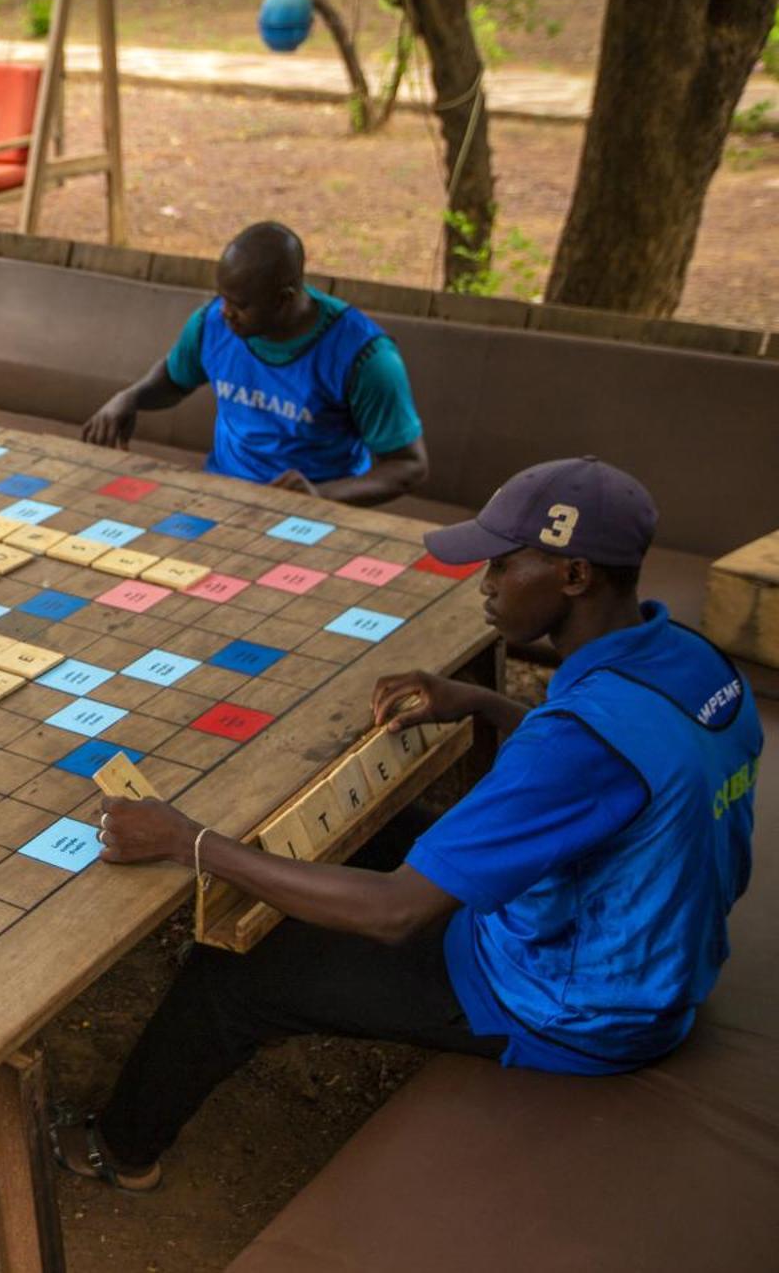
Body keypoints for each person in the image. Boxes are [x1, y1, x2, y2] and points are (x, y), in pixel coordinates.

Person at [56, 457, 760, 1192]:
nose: (484, 580)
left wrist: (189, 841)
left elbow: (397, 912)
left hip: (577, 1007)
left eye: (503, 562)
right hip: (654, 946)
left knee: (228, 977)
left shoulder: (577, 741)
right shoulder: (690, 657)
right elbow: (619, 777)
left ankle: (119, 1148)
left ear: (576, 576)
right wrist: (483, 703)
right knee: (367, 834)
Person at [80, 221, 429, 507]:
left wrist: (320, 497)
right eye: (222, 298)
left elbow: (408, 466)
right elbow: (174, 379)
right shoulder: (212, 324)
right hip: (220, 497)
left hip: (316, 513)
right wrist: (130, 398)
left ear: (284, 299)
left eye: (240, 304)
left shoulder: (364, 356)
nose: (225, 312)